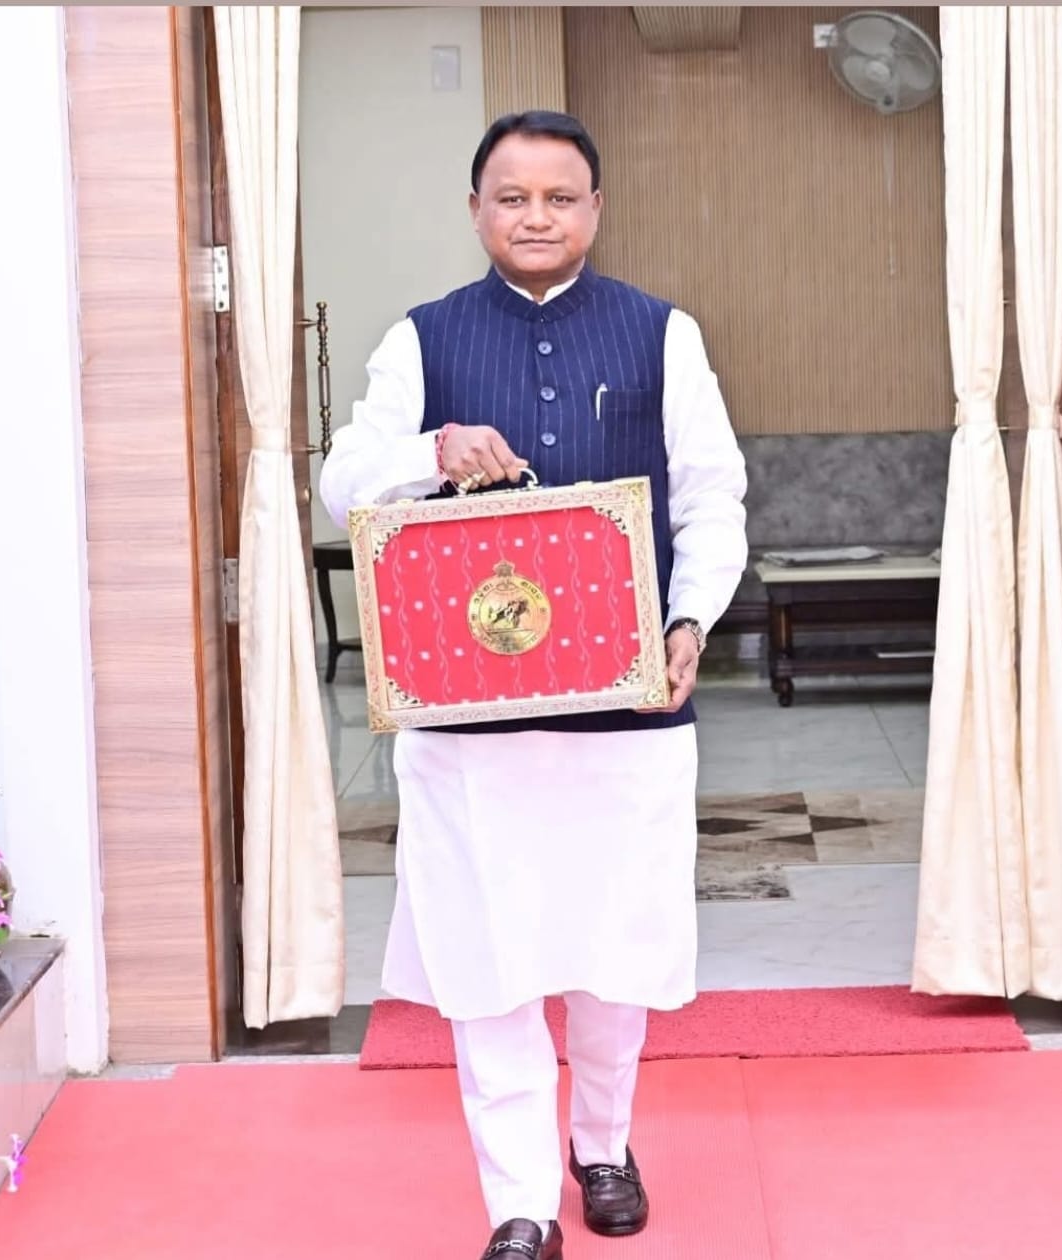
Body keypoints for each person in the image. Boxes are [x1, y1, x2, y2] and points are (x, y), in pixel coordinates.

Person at [320, 110, 747, 1260]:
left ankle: (602, 1145)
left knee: (617, 954)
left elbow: (711, 496)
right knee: (488, 959)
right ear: (476, 212)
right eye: (512, 197)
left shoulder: (664, 333)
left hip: (629, 710)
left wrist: (689, 619)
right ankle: (518, 1203)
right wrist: (430, 450)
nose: (537, 216)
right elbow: (341, 480)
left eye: (560, 197)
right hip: (470, 725)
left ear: (595, 210)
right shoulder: (423, 342)